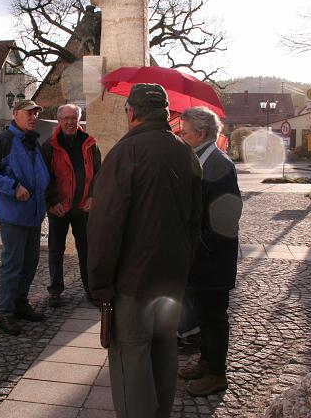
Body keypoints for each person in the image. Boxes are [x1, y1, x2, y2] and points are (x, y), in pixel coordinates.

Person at [88, 83, 202, 418]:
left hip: (132, 283)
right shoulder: (186, 153)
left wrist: (100, 284)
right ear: (165, 113)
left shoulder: (125, 153)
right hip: (171, 281)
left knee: (131, 361)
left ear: (132, 113)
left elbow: (105, 227)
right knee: (164, 351)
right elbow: (196, 223)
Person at [177, 106, 243, 397]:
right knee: (204, 316)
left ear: (201, 133)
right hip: (202, 259)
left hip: (212, 260)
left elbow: (225, 219)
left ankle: (217, 374)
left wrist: (196, 247)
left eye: (185, 131)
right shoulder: (200, 159)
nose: (181, 135)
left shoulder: (218, 164)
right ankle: (206, 361)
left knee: (215, 318)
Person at [0, 99, 51, 336]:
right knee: (12, 265)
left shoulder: (32, 141)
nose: (33, 117)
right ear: (16, 114)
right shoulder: (5, 140)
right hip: (14, 215)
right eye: (29, 113)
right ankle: (5, 313)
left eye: (36, 113)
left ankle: (20, 304)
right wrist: (13, 186)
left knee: (30, 263)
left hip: (33, 214)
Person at [41, 104, 101, 307]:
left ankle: (90, 290)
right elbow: (44, 178)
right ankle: (55, 291)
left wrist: (93, 197)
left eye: (74, 118)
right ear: (59, 120)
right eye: (66, 118)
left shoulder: (90, 143)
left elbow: (99, 174)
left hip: (83, 207)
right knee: (56, 250)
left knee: (86, 250)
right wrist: (52, 202)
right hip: (59, 207)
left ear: (79, 119)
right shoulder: (49, 145)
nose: (70, 122)